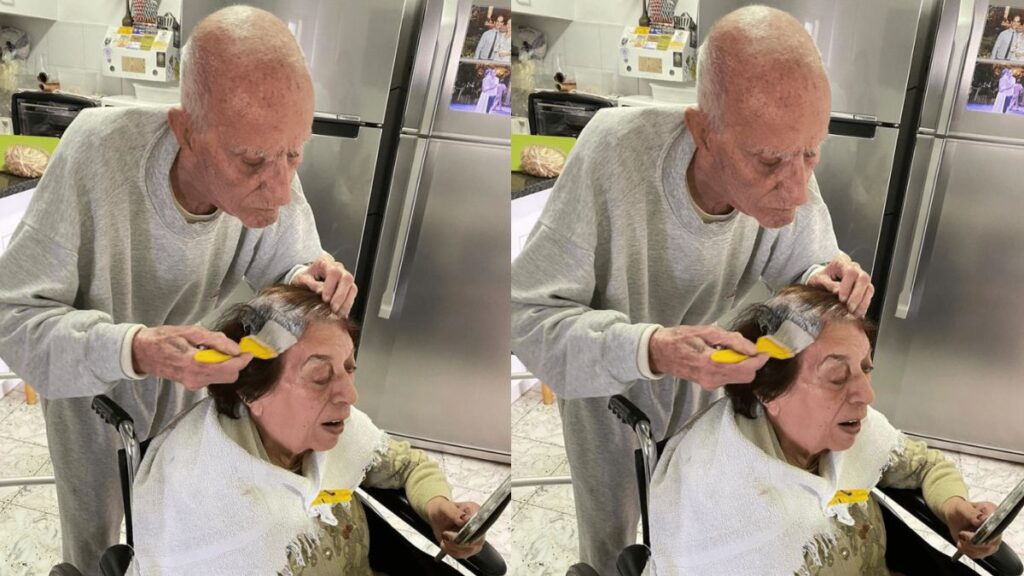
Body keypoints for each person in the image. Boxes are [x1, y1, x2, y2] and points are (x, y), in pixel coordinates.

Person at [510, 6, 874, 574]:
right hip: (607, 389)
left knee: (697, 540)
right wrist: (652, 349)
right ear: (703, 130)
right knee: (611, 555)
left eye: (811, 153)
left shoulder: (783, 152)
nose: (798, 190)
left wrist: (827, 279)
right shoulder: (613, 152)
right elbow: (529, 319)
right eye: (771, 161)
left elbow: (810, 266)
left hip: (711, 387)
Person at [0, 7, 357, 575]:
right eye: (253, 161)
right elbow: (15, 319)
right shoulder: (96, 152)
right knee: (97, 555)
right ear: (185, 130)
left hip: (194, 391)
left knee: (179, 541)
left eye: (295, 154)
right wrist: (136, 349)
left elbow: (291, 261)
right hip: (91, 393)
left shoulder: (266, 155)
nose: (282, 189)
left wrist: (306, 281)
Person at [129, 285, 486, 575]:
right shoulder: (209, 499)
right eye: (320, 377)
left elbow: (408, 465)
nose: (350, 395)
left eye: (349, 368)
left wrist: (438, 507)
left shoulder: (339, 432)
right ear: (255, 393)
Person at [649, 285, 1002, 575]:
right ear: (771, 393)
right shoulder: (725, 503)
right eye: (837, 377)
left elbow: (925, 465)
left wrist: (955, 508)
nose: (867, 395)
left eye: (866, 368)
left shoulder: (853, 431)